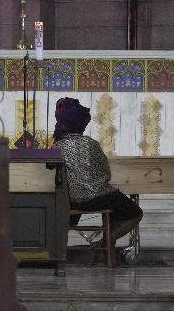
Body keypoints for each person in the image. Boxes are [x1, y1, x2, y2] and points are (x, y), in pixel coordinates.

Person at [52, 97, 143, 243]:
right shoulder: (90, 144)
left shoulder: (57, 147)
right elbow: (106, 173)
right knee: (135, 213)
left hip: (72, 201)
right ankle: (106, 242)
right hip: (99, 199)